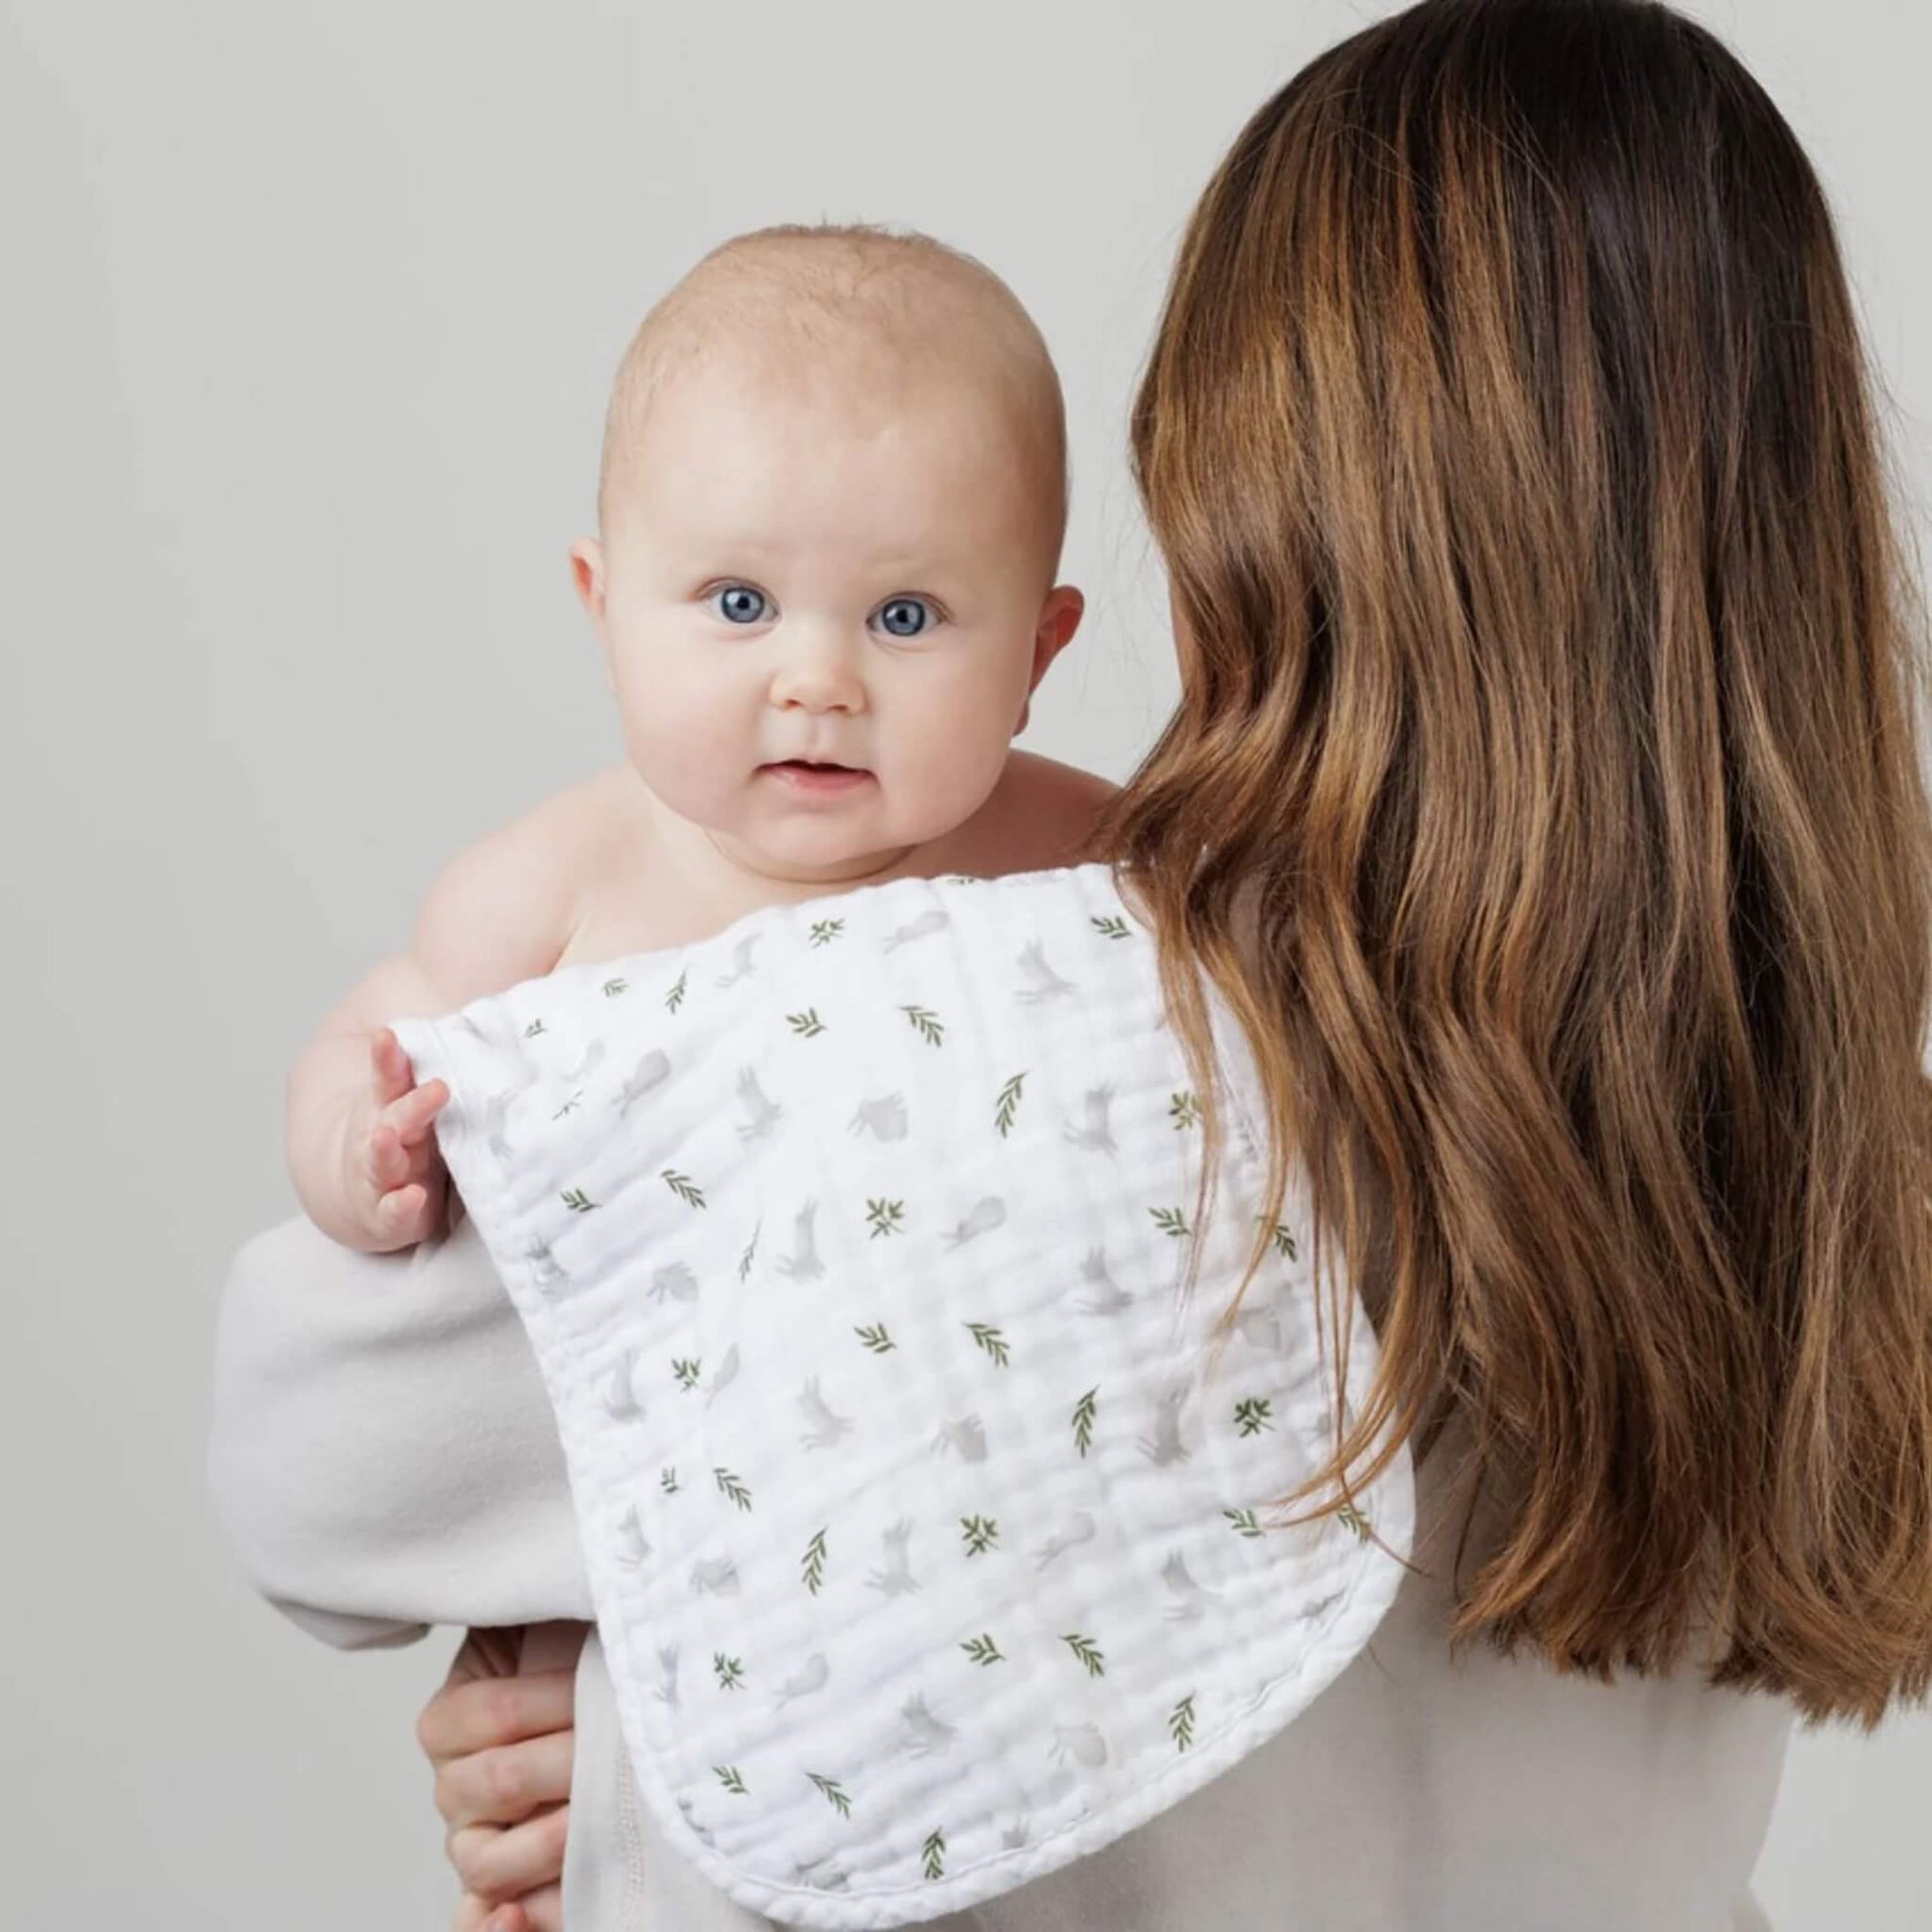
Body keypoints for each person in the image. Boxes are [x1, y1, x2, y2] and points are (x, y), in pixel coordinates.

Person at [209, 0, 1932, 1927]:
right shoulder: (1847, 1165)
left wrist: (601, 1736)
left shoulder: (955, 1044)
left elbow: (315, 1471)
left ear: (1247, 495)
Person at [279, 219, 1106, 1261]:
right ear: (606, 610)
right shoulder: (556, 890)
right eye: (740, 601)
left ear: (1034, 656)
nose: (818, 683)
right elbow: (363, 1049)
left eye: (904, 616)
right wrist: (363, 1155)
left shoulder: (1093, 860)